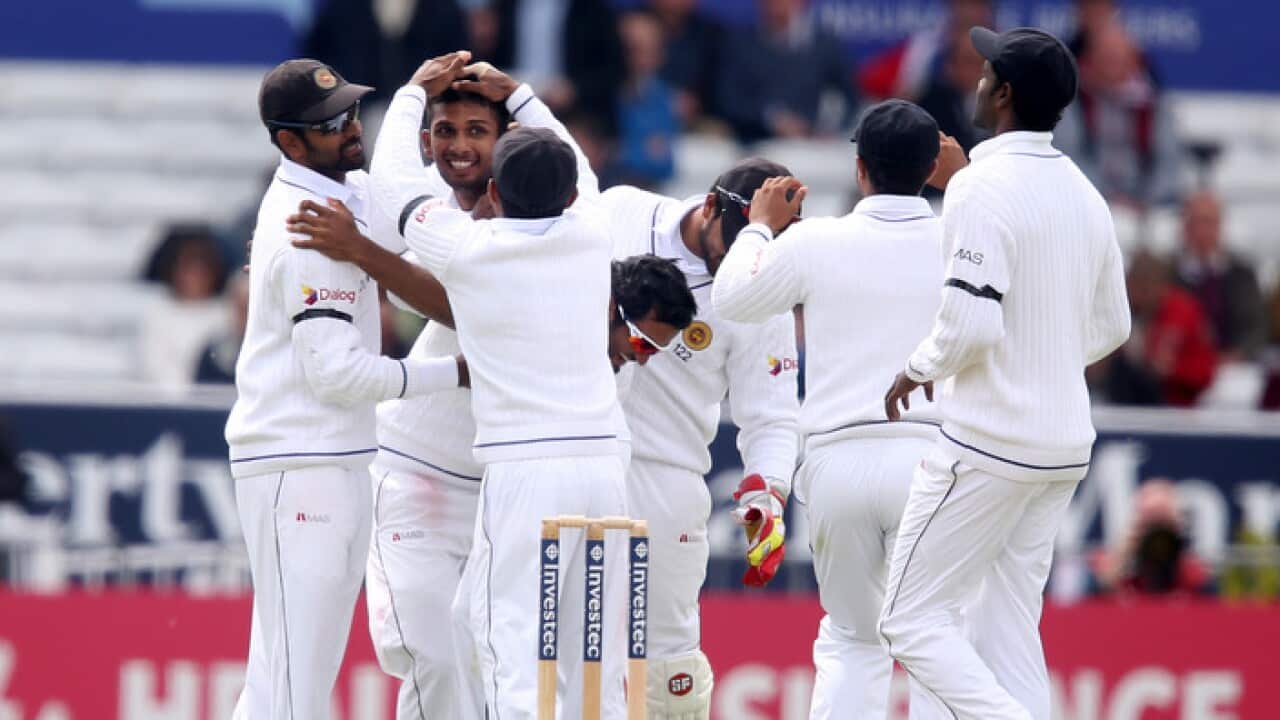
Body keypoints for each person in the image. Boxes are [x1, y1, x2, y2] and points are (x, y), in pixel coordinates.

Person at [879, 27, 1130, 719]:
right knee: (1007, 625)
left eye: (989, 70)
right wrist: (1041, 359)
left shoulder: (978, 184)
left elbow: (969, 326)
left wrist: (916, 368)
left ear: (1006, 92)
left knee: (907, 619)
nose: (979, 78)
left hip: (990, 441)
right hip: (1063, 445)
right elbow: (1113, 327)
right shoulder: (1084, 192)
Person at [369, 51, 627, 720]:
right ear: (569, 194)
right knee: (579, 650)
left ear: (495, 196)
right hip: (606, 462)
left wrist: (408, 97)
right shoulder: (591, 231)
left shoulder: (472, 251)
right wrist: (521, 97)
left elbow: (397, 187)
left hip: (525, 469)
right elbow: (583, 167)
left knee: (504, 641)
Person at [225, 60, 466, 720]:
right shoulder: (310, 227)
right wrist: (457, 373)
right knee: (296, 685)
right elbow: (340, 378)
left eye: (354, 113)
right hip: (299, 466)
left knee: (282, 678)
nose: (351, 130)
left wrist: (414, 93)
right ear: (289, 142)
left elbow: (392, 197)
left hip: (326, 462)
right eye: (331, 125)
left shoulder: (341, 195)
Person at [712, 100, 953, 719]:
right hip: (929, 461)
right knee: (934, 640)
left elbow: (733, 297)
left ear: (858, 167)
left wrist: (760, 225)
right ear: (931, 167)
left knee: (852, 640)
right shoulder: (960, 238)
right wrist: (967, 175)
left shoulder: (819, 238)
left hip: (837, 462)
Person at [599, 157, 801, 717]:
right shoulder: (621, 211)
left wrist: (769, 492)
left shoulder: (762, 291)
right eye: (732, 247)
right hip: (578, 456)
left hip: (667, 480)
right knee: (567, 649)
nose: (741, 266)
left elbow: (773, 416)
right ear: (709, 207)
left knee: (668, 670)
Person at [714, 0, 855, 142]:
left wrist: (831, 128)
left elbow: (850, 97)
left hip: (811, 145)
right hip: (755, 143)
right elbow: (729, 100)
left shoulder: (825, 44)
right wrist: (771, 119)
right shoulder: (739, 42)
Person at [1175, 191, 1266, 362]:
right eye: (1195, 222)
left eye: (1208, 222)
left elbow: (1256, 327)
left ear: (1220, 226)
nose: (1201, 231)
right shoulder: (1169, 276)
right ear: (1184, 227)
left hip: (1234, 369)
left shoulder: (1243, 275)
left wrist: (1236, 355)